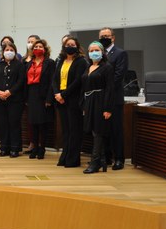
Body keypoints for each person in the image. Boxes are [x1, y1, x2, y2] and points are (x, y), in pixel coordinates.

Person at [52, 37, 87, 167]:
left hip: (73, 98)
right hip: (60, 98)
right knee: (66, 130)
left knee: (75, 130)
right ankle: (65, 157)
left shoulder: (81, 62)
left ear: (77, 47)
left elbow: (78, 81)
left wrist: (63, 95)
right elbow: (55, 78)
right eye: (67, 44)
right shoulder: (61, 60)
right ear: (63, 46)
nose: (70, 46)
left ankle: (73, 160)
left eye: (72, 44)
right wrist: (57, 93)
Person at [81, 41, 114, 174]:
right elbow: (84, 87)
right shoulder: (88, 67)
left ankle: (95, 162)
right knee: (93, 131)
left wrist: (108, 108)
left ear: (102, 52)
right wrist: (84, 105)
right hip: (89, 101)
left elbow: (110, 89)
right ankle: (101, 160)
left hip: (101, 101)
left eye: (96, 50)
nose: (94, 52)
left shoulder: (107, 67)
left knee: (99, 132)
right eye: (91, 50)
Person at [99, 27, 128, 171]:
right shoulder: (98, 53)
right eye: (102, 36)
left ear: (113, 38)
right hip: (100, 99)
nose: (104, 38)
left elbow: (118, 76)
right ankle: (106, 157)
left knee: (116, 130)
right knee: (103, 130)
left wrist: (104, 89)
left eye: (107, 35)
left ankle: (119, 159)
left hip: (114, 98)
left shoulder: (120, 53)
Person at [0, 42, 25, 158]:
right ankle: (4, 147)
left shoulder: (19, 65)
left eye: (11, 49)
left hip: (15, 100)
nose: (8, 51)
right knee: (3, 124)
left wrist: (10, 92)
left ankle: (15, 148)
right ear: (3, 52)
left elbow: (21, 81)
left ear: (15, 52)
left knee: (14, 123)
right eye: (6, 50)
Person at [24, 39, 55, 160]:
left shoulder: (50, 63)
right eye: (35, 46)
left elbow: (53, 81)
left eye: (40, 46)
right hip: (31, 94)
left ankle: (42, 149)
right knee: (33, 123)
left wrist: (49, 98)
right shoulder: (28, 63)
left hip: (43, 95)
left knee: (43, 124)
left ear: (45, 49)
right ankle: (35, 147)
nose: (37, 48)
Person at [23, 34, 41, 154]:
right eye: (29, 42)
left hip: (38, 93)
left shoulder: (41, 60)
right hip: (26, 93)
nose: (30, 44)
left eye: (33, 42)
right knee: (29, 121)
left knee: (39, 120)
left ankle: (39, 144)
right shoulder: (23, 59)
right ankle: (32, 143)